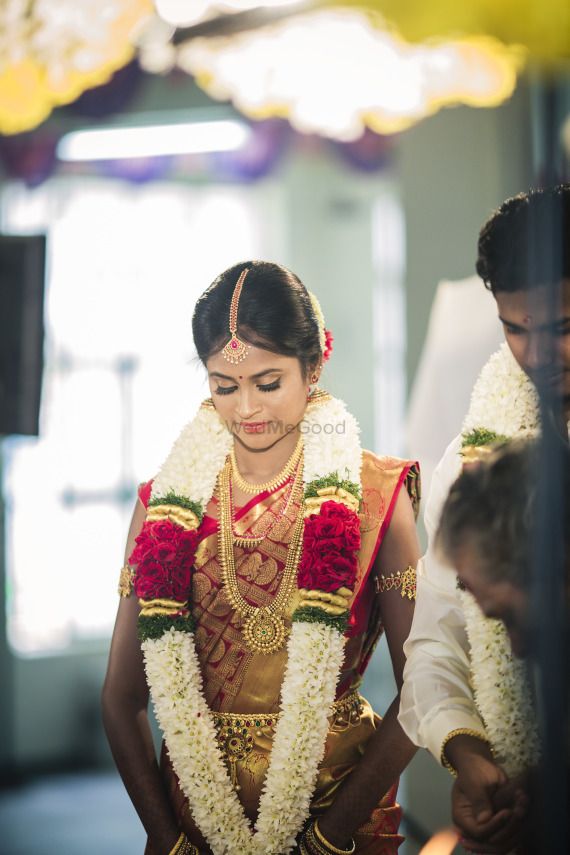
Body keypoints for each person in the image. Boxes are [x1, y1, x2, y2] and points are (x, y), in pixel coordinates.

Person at [102, 260, 421, 855]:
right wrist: (169, 841)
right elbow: (120, 699)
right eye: (224, 385)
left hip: (339, 804)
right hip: (193, 809)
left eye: (268, 383)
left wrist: (331, 835)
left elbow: (422, 684)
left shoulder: (376, 493)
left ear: (314, 367)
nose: (246, 407)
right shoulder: (165, 504)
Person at [398, 184, 570, 854]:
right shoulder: (473, 454)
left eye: (560, 327)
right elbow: (434, 639)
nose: (537, 356)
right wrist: (468, 753)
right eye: (516, 330)